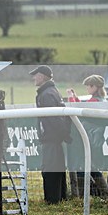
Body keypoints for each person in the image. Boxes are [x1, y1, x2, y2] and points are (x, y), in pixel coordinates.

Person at [30, 65, 71, 204]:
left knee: (50, 170)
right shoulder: (52, 91)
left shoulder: (46, 94)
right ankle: (60, 198)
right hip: (56, 138)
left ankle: (52, 200)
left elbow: (53, 119)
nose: (34, 78)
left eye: (35, 75)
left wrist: (63, 133)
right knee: (57, 169)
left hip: (51, 138)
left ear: (42, 76)